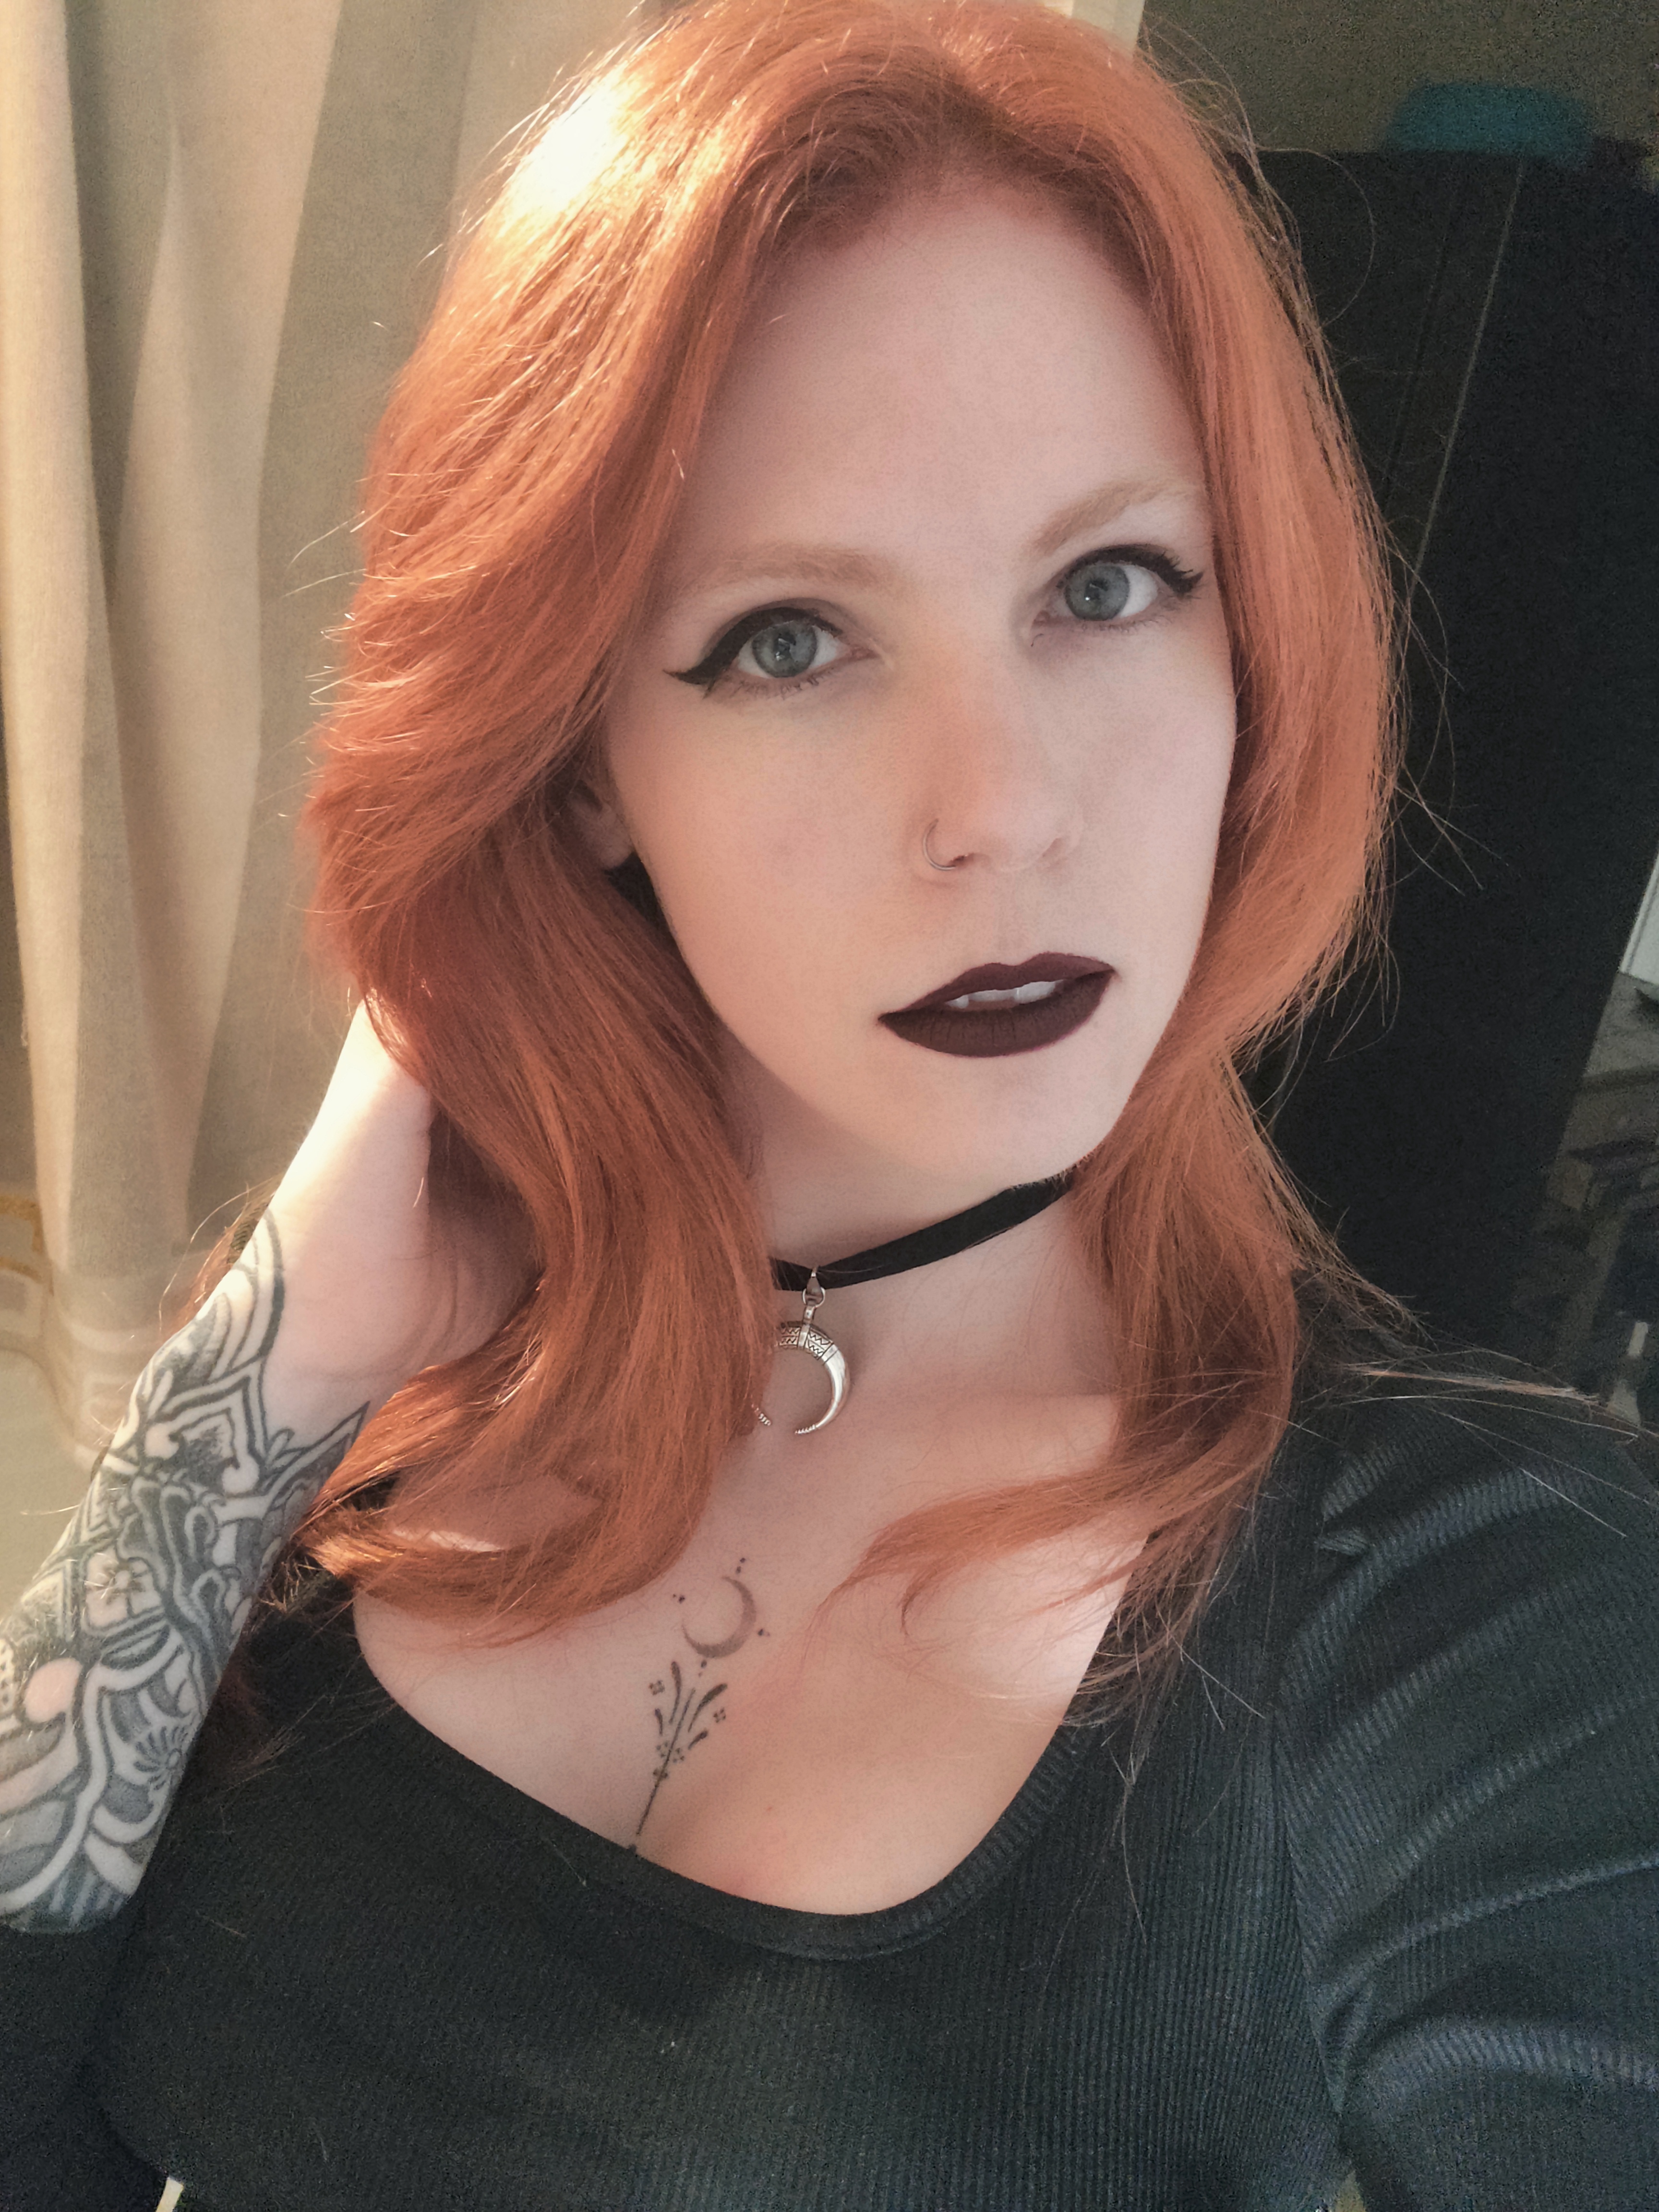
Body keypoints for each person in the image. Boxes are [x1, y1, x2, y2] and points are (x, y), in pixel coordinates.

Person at [3, 0, 1657, 2202]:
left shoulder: (1476, 1608)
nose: (1002, 808)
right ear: (579, 760)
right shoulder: (365, 1407)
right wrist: (267, 1360)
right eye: (790, 637)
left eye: (1109, 585)